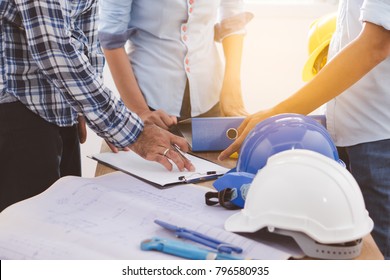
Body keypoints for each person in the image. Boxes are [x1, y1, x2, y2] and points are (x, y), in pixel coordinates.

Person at [219, 0, 390, 259]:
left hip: (376, 138)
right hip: (358, 134)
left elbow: (375, 45)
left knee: (375, 254)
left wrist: (278, 113)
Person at [0, 0, 194, 212]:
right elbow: (53, 49)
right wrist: (132, 131)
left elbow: (86, 31)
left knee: (67, 217)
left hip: (59, 107)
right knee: (32, 230)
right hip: (17, 111)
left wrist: (86, 109)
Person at [97, 0, 253, 129]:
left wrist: (232, 87)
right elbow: (112, 38)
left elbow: (233, 18)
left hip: (211, 96)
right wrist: (140, 111)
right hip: (148, 101)